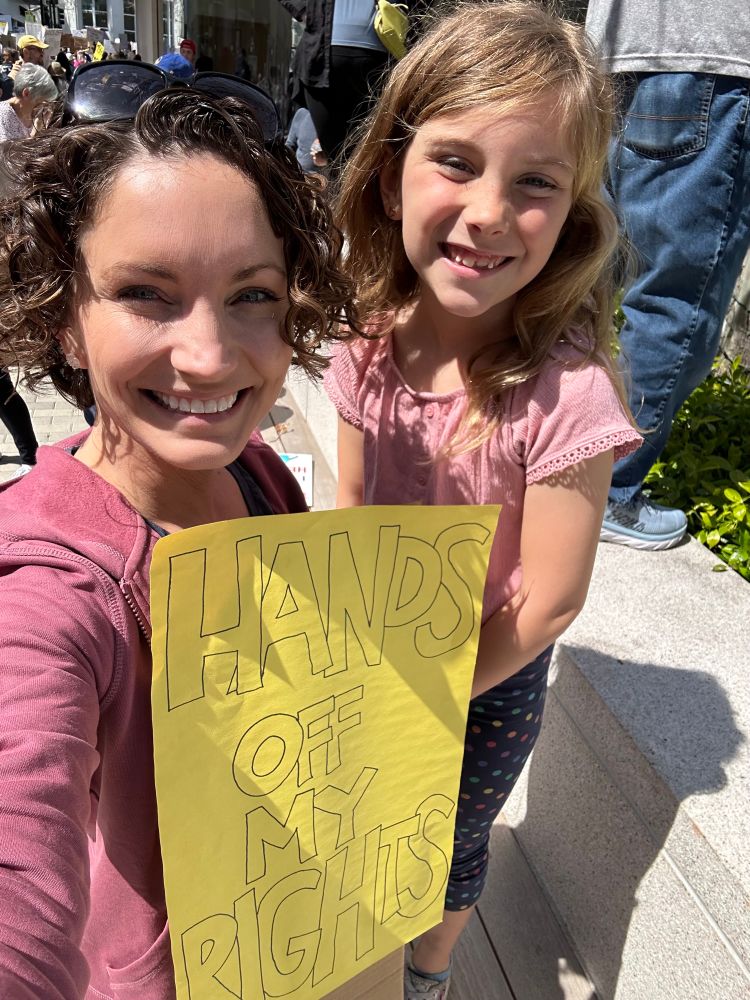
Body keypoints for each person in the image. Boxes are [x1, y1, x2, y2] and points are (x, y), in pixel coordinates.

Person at [0, 68, 356, 998]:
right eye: (146, 293)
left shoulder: (253, 469)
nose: (207, 354)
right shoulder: (49, 587)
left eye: (252, 294)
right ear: (66, 319)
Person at [323, 4, 642, 996]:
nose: (492, 212)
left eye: (536, 182)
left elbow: (548, 599)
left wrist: (428, 690)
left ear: (576, 212)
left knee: (452, 841)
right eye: (456, 162)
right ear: (391, 173)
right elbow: (348, 495)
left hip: (486, 679)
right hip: (375, 642)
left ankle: (429, 972)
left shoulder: (565, 389)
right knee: (365, 818)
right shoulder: (368, 334)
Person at [586, 1, 750, 550]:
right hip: (715, 58)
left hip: (616, 52)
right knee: (676, 296)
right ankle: (605, 491)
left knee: (584, 271)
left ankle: (538, 450)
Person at [277, 0, 390, 165]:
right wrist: (304, 11)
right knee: (338, 157)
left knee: (367, 156)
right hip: (323, 54)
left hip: (380, 52)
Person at [285, 104, 326, 173]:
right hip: (301, 175)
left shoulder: (333, 116)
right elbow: (289, 145)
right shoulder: (302, 113)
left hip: (326, 178)